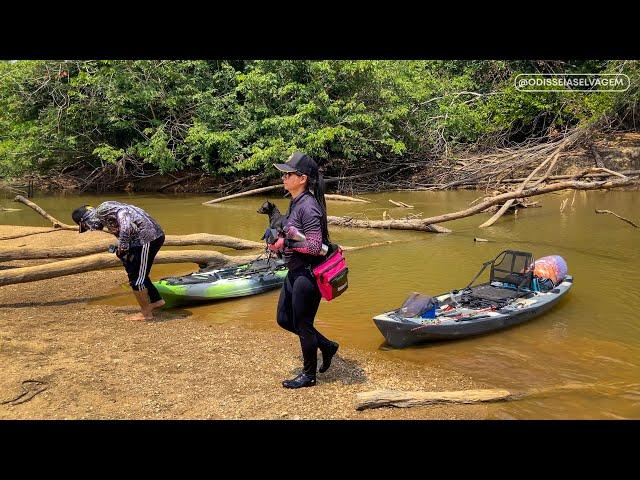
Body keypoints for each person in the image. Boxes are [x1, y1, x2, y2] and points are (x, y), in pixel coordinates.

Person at [269, 151, 339, 389]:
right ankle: (327, 346)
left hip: (308, 275)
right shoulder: (295, 201)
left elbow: (315, 246)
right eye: (284, 174)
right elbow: (294, 233)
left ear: (303, 178)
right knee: (283, 319)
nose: (284, 178)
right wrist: (278, 240)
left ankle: (309, 376)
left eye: (288, 174)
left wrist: (287, 242)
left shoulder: (309, 207)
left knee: (303, 325)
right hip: (295, 271)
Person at [71, 201, 166, 321]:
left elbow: (124, 217)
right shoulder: (106, 217)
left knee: (137, 279)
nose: (90, 229)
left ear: (86, 219)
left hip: (147, 239)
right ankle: (156, 301)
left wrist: (123, 246)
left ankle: (146, 314)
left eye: (86, 226)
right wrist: (123, 250)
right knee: (134, 271)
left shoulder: (103, 210)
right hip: (143, 240)